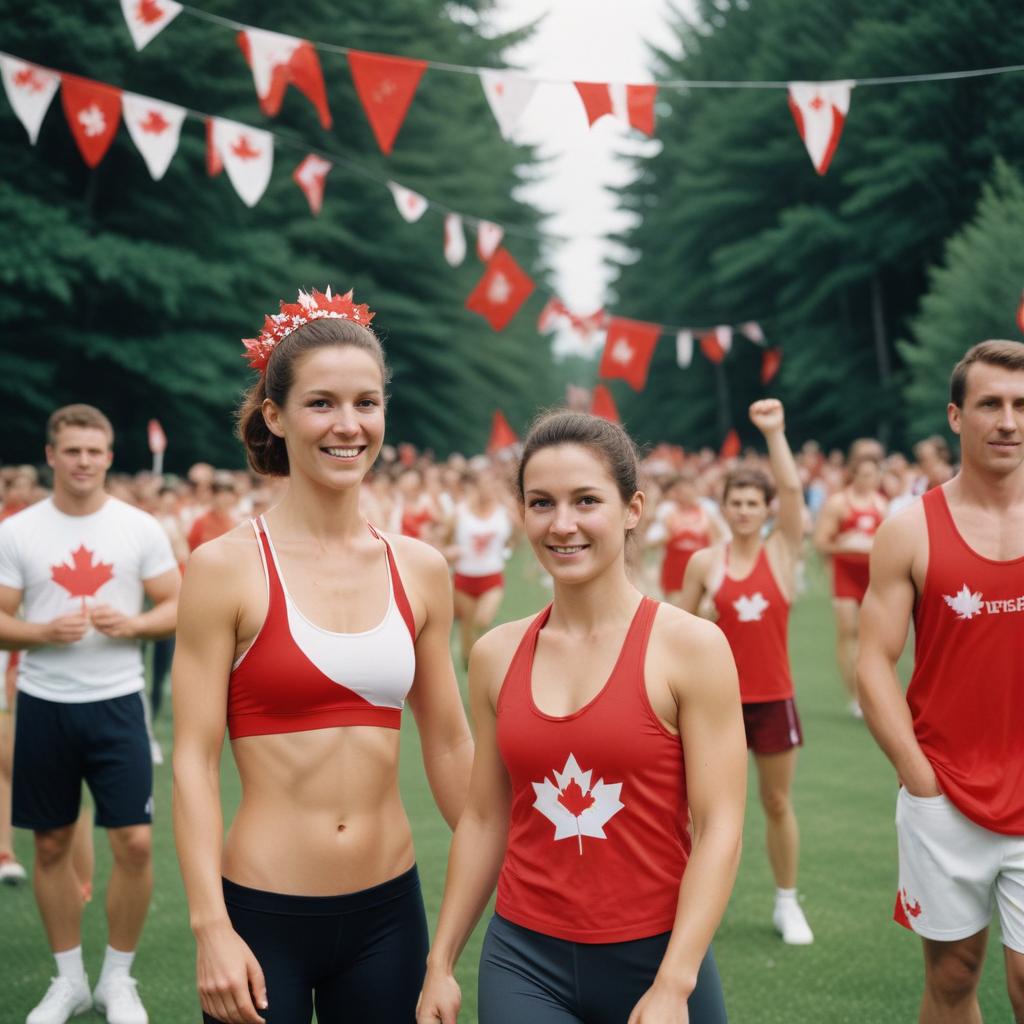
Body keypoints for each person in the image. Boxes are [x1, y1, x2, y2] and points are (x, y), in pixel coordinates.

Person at [172, 288, 473, 1024]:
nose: (349, 426)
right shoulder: (225, 568)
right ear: (274, 416)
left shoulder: (420, 568)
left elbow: (450, 742)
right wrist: (211, 927)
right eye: (322, 403)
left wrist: (523, 882)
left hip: (388, 917)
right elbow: (190, 758)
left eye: (367, 403)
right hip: (260, 914)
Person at [417, 410, 746, 1024]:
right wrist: (440, 962)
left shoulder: (692, 648)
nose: (562, 524)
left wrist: (675, 983)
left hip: (657, 959)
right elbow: (486, 817)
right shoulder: (495, 654)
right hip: (523, 958)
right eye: (541, 503)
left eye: (586, 500)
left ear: (633, 509)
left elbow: (720, 825)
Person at [857, 340, 1024, 1023]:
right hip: (944, 789)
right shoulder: (909, 532)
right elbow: (873, 660)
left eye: (1021, 405)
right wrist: (917, 774)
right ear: (957, 417)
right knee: (953, 979)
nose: (1008, 421)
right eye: (991, 404)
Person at [0, 403, 180, 1024]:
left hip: (118, 702)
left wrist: (133, 623)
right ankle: (69, 980)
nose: (83, 461)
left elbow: (177, 605)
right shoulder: (19, 531)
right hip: (46, 704)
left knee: (132, 841)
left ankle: (117, 981)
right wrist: (37, 633)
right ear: (51, 455)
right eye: (71, 450)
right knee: (49, 843)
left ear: (109, 456)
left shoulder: (138, 527)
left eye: (94, 451)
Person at [679, 399, 814, 946]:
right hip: (716, 704)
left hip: (773, 697)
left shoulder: (783, 553)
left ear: (765, 510)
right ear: (725, 506)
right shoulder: (703, 563)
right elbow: (675, 629)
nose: (743, 510)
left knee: (777, 802)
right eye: (735, 501)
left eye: (753, 502)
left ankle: (787, 903)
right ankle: (686, 909)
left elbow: (794, 495)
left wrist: (776, 433)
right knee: (702, 812)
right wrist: (703, 618)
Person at [813, 453, 888, 717]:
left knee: (874, 636)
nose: (869, 480)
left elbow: (890, 543)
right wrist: (843, 543)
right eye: (864, 474)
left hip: (872, 575)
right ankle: (854, 695)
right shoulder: (838, 503)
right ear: (853, 475)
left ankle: (873, 693)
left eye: (874, 475)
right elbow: (820, 541)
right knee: (848, 632)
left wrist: (873, 545)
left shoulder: (881, 504)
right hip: (845, 573)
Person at [446, 467, 515, 667]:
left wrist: (508, 544)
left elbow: (520, 532)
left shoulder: (504, 511)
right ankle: (469, 662)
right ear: (476, 486)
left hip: (491, 577)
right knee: (467, 625)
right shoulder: (459, 512)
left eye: (493, 484)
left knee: (482, 620)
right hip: (464, 578)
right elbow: (441, 541)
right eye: (485, 484)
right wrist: (450, 550)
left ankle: (483, 657)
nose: (489, 489)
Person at [648, 473, 726, 605]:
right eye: (681, 491)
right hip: (675, 572)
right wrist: (667, 535)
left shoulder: (707, 511)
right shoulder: (667, 512)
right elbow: (651, 541)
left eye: (689, 490)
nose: (685, 495)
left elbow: (720, 539)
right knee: (677, 609)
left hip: (702, 572)